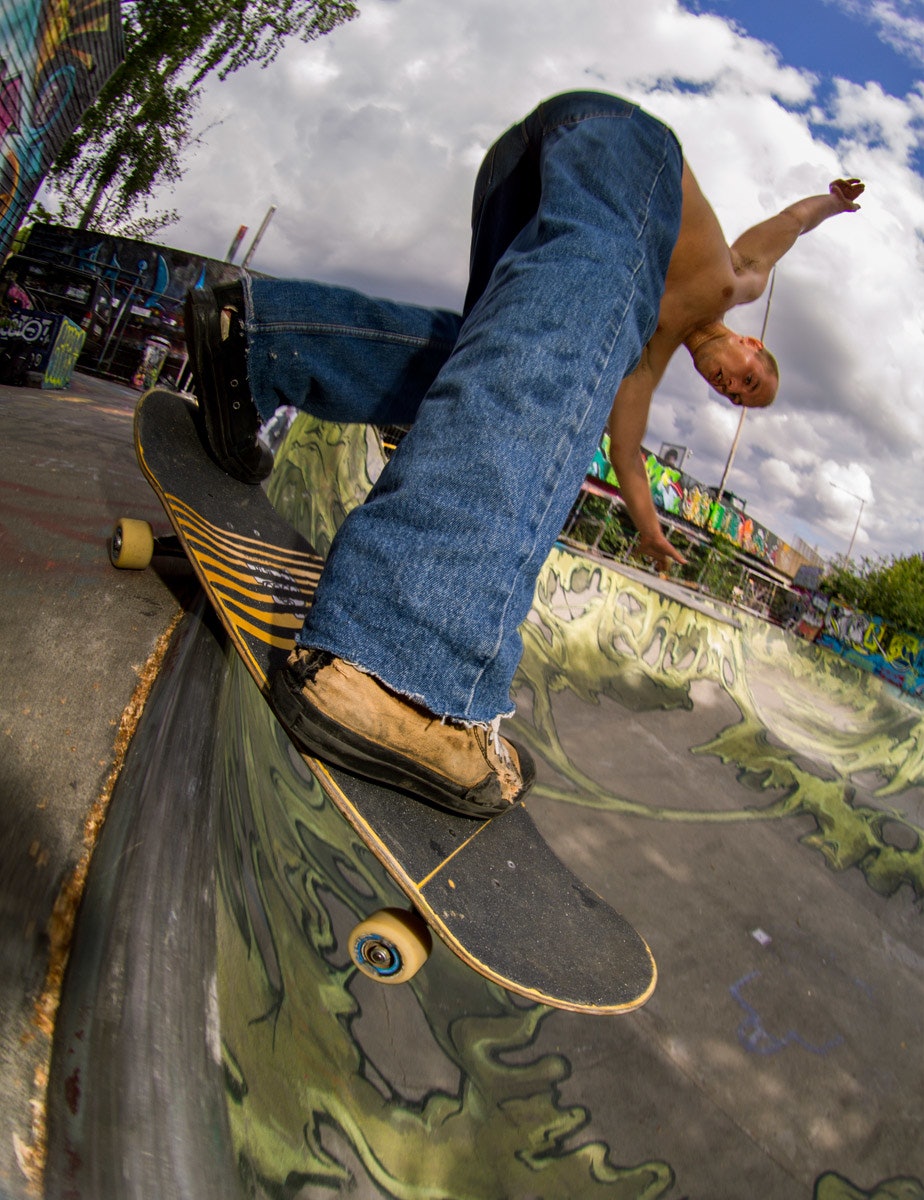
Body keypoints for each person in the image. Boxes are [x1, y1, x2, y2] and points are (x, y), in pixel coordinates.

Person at [184, 90, 863, 820]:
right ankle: (396, 665)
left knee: (487, 363)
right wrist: (830, 202)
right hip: (624, 154)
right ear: (753, 344)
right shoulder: (733, 279)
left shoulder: (638, 363)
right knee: (550, 366)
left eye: (739, 399)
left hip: (527, 166)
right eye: (749, 379)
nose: (733, 385)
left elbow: (628, 458)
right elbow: (786, 228)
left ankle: (257, 344)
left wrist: (649, 530)